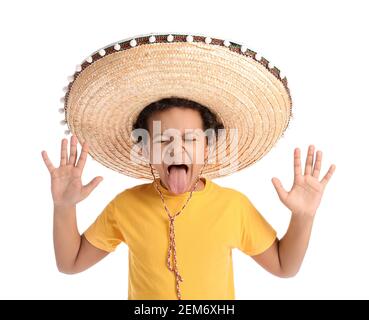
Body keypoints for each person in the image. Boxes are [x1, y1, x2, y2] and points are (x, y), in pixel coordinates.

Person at [42, 97, 336, 300]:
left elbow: (286, 267)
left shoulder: (233, 206)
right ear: (145, 151)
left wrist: (303, 216)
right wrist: (64, 207)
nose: (176, 149)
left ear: (207, 149)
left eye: (190, 139)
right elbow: (70, 263)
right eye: (163, 139)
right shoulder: (125, 206)